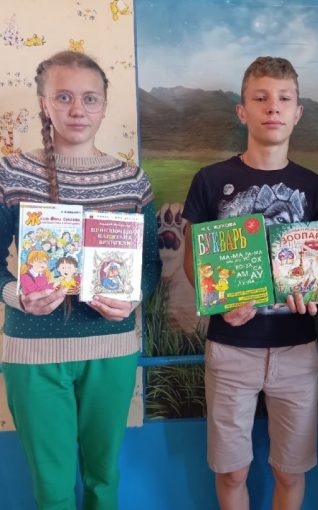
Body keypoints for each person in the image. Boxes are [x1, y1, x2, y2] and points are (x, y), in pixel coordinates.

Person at [0, 51, 161, 510]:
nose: (77, 109)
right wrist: (17, 295)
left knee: (103, 482)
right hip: (33, 353)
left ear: (105, 105)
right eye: (64, 97)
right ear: (44, 103)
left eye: (90, 98)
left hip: (111, 349)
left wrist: (133, 297)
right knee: (51, 490)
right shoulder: (10, 174)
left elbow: (150, 265)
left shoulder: (132, 180)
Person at [183, 56, 318, 510]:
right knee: (232, 470)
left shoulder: (314, 187)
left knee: (291, 469)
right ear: (242, 110)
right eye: (260, 98)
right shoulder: (211, 180)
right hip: (231, 348)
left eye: (284, 98)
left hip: (296, 348)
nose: (273, 107)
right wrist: (218, 302)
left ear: (297, 112)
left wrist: (314, 295)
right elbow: (193, 262)